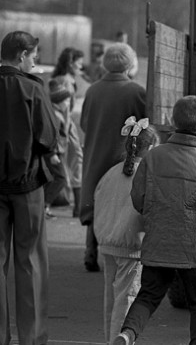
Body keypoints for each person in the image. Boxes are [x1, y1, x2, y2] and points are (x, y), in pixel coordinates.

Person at [114, 96, 196, 345]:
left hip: (157, 242)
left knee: (148, 296)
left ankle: (127, 334)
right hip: (192, 248)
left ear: (172, 121)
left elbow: (138, 199)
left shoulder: (153, 157)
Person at [0, 31, 58, 344]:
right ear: (22, 54)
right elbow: (49, 137)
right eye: (33, 56)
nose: (34, 62)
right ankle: (31, 338)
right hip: (28, 185)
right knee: (30, 261)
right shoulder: (32, 88)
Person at [79, 43, 146, 272]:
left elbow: (84, 123)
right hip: (122, 155)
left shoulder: (92, 90)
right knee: (118, 199)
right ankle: (118, 252)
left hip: (96, 151)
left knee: (95, 198)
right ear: (129, 63)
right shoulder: (137, 92)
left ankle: (90, 250)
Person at [94, 117, 159, 344]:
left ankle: (109, 340)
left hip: (108, 242)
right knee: (126, 299)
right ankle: (119, 341)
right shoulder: (149, 175)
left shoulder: (111, 173)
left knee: (110, 301)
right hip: (133, 245)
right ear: (151, 148)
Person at [51, 47, 84, 215]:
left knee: (74, 162)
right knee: (75, 160)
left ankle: (76, 205)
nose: (81, 67)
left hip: (66, 125)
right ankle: (77, 206)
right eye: (78, 63)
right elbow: (62, 109)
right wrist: (65, 133)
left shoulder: (66, 79)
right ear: (70, 63)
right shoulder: (65, 80)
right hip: (65, 126)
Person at [43, 77, 74, 218]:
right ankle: (44, 205)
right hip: (54, 152)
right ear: (59, 101)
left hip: (57, 150)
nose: (68, 103)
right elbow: (51, 135)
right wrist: (53, 153)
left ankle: (44, 206)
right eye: (66, 100)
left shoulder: (60, 113)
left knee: (57, 177)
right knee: (60, 178)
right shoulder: (55, 115)